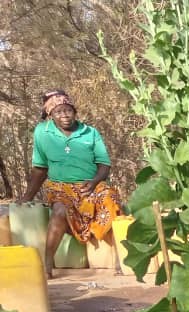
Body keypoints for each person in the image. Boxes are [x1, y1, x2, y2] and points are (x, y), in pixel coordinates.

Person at [16, 90, 121, 277]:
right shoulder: (42, 132)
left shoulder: (90, 132)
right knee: (59, 211)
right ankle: (48, 263)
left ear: (75, 112)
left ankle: (120, 261)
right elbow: (40, 168)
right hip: (59, 186)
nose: (64, 115)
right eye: (58, 112)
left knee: (110, 199)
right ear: (50, 115)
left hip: (90, 184)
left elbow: (104, 165)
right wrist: (27, 196)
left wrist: (95, 181)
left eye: (68, 110)